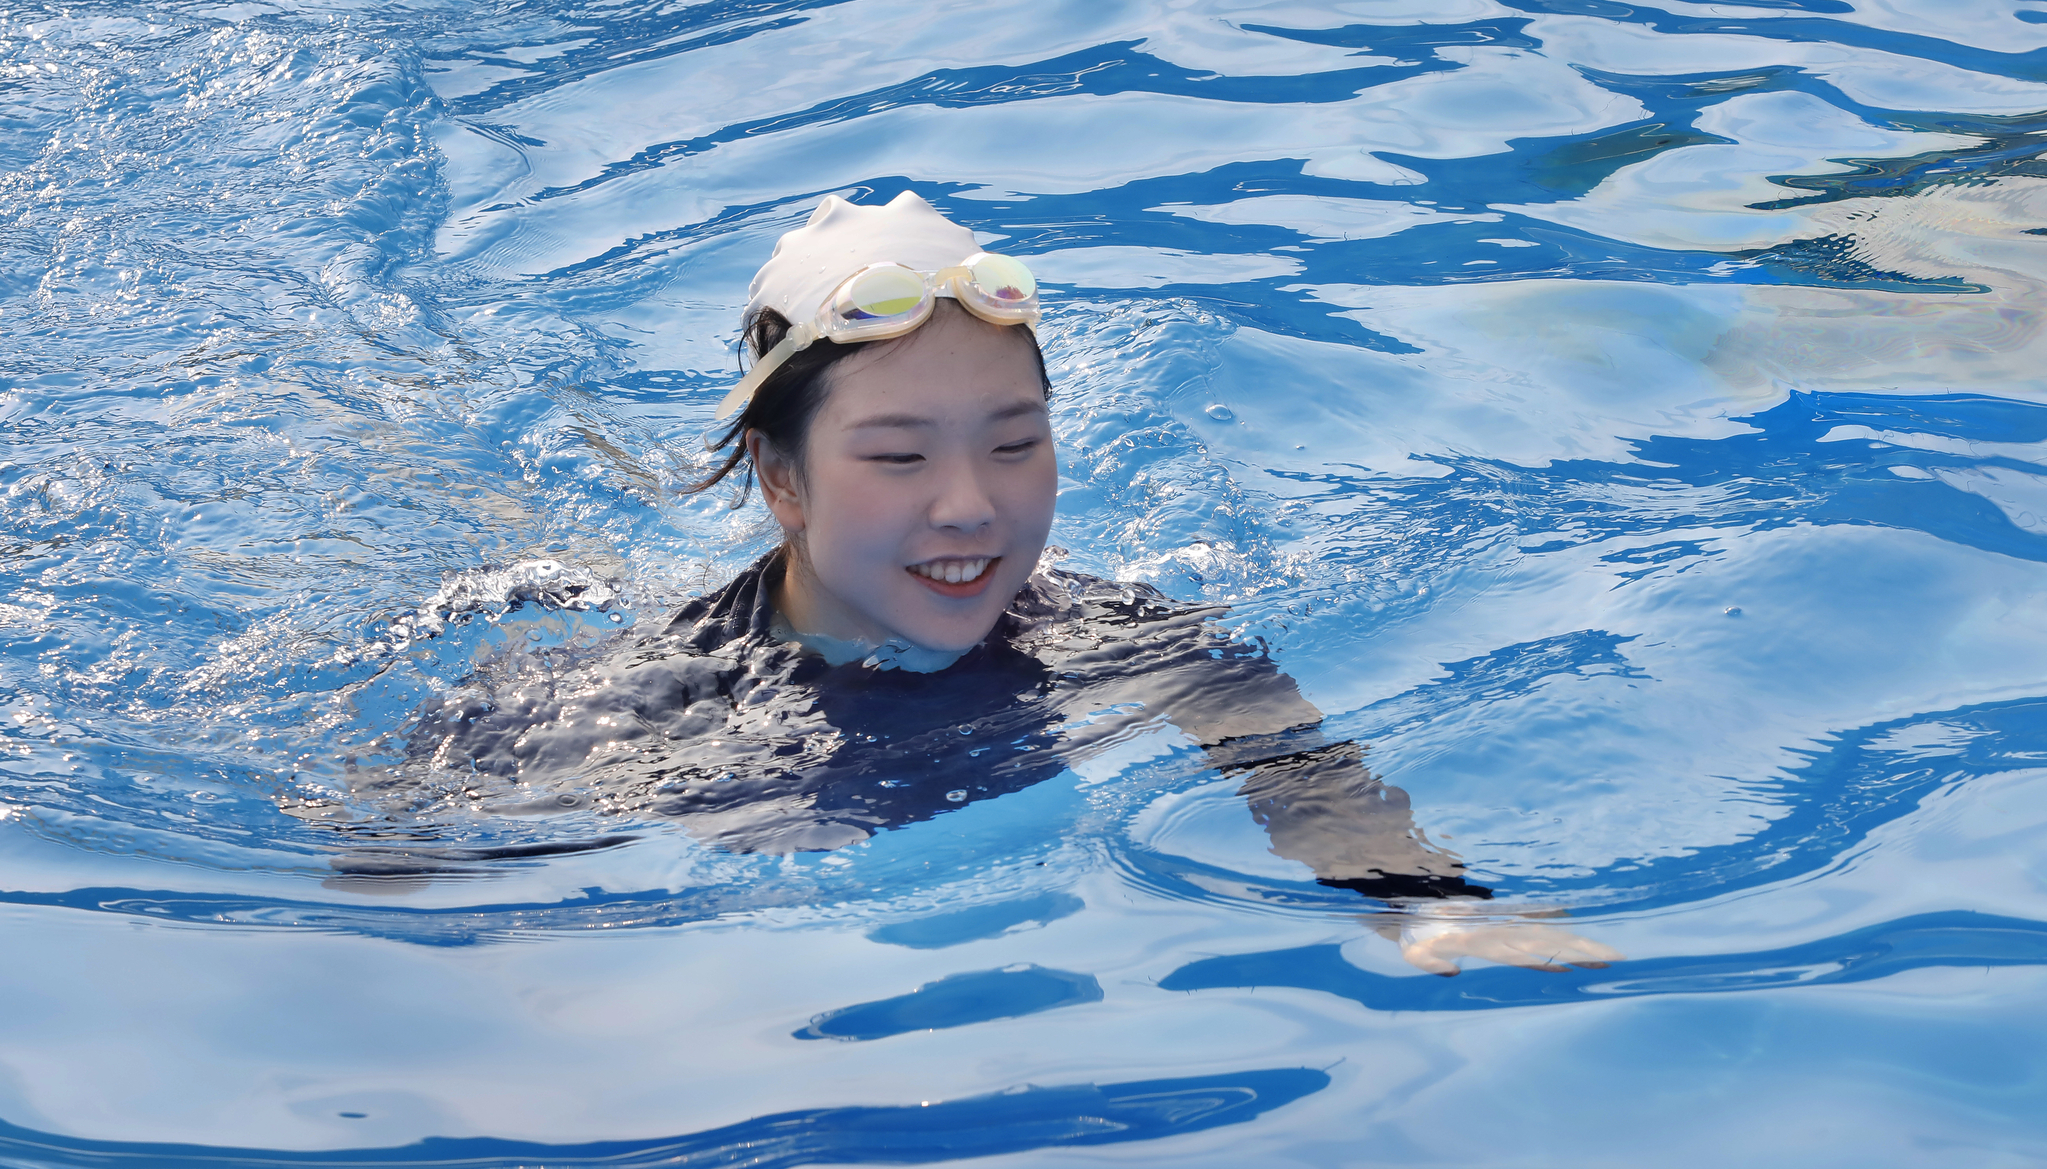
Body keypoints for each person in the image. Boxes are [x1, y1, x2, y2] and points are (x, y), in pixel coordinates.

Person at [346, 192, 1619, 976]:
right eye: (897, 457)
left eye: (1016, 444)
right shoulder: (638, 706)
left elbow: (1294, 769)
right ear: (781, 483)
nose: (971, 504)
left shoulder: (1130, 638)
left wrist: (1424, 909)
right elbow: (380, 882)